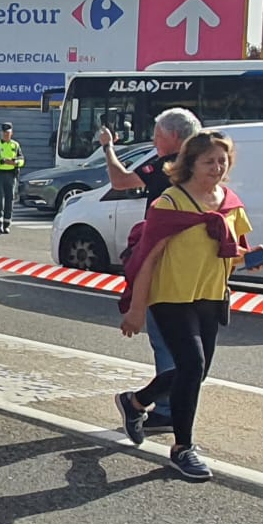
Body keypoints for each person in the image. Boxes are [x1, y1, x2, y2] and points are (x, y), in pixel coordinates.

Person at [117, 131, 263, 481]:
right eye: (208, 161)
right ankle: (183, 447)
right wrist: (137, 308)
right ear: (190, 164)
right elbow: (148, 258)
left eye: (222, 160)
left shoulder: (230, 203)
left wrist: (253, 260)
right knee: (192, 365)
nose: (217, 167)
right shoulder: (170, 203)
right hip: (171, 295)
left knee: (195, 371)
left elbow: (233, 254)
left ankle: (135, 401)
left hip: (210, 295)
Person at [99, 107, 202, 435]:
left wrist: (107, 147)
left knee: (165, 338)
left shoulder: (165, 165)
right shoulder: (201, 167)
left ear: (173, 136)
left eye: (157, 135)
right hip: (197, 265)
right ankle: (171, 407)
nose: (154, 141)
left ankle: (165, 407)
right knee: (191, 345)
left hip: (164, 259)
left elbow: (119, 180)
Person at [0, 122, 24, 235]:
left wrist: (15, 163)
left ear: (11, 133)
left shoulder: (15, 145)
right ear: (1, 133)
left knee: (10, 199)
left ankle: (7, 224)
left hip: (11, 175)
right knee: (0, 199)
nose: (6, 135)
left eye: (8, 133)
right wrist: (3, 161)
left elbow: (22, 160)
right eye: (4, 133)